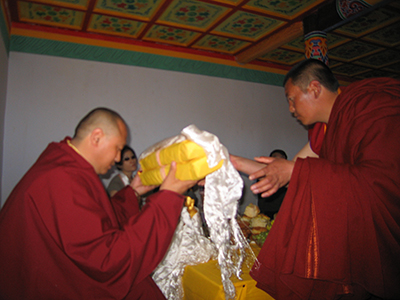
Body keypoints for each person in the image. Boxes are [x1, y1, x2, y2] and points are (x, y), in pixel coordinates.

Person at [232, 59, 400, 299]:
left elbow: (384, 182)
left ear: (314, 89)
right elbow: (285, 171)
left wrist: (294, 172)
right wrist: (230, 162)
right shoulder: (323, 131)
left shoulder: (371, 104)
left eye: (291, 99)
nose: (290, 109)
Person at [0, 107, 198, 299]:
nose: (118, 157)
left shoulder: (66, 164)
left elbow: (98, 218)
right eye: (118, 148)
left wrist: (133, 192)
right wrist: (168, 196)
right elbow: (108, 262)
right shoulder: (62, 178)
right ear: (96, 137)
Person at [257, 149, 288, 219]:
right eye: (275, 158)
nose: (278, 161)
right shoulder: (263, 174)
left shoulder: (289, 176)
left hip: (285, 214)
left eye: (281, 158)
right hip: (267, 214)